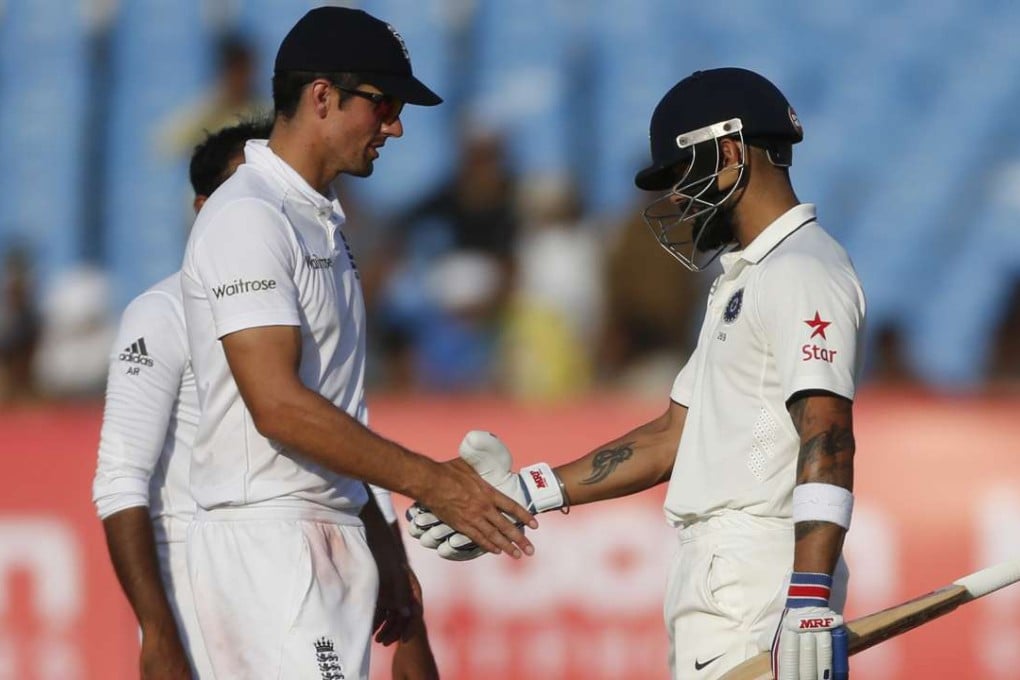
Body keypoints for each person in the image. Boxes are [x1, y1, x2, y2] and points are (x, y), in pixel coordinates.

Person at [411, 67, 866, 680]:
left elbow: (828, 433)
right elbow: (668, 439)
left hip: (758, 578)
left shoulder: (802, 269)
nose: (676, 198)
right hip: (722, 578)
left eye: (682, 176)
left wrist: (808, 598)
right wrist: (523, 492)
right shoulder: (748, 274)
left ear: (730, 152)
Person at [180, 7, 534, 679]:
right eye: (384, 104)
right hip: (267, 540)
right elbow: (277, 407)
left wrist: (385, 549)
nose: (395, 125)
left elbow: (338, 406)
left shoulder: (321, 221)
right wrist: (433, 483)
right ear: (321, 96)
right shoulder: (249, 216)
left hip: (320, 529)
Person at [94, 119, 439, 679]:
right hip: (207, 584)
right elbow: (119, 478)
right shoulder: (159, 315)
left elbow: (343, 433)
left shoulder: (303, 296)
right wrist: (157, 630)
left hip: (300, 554)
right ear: (206, 209)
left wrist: (394, 566)